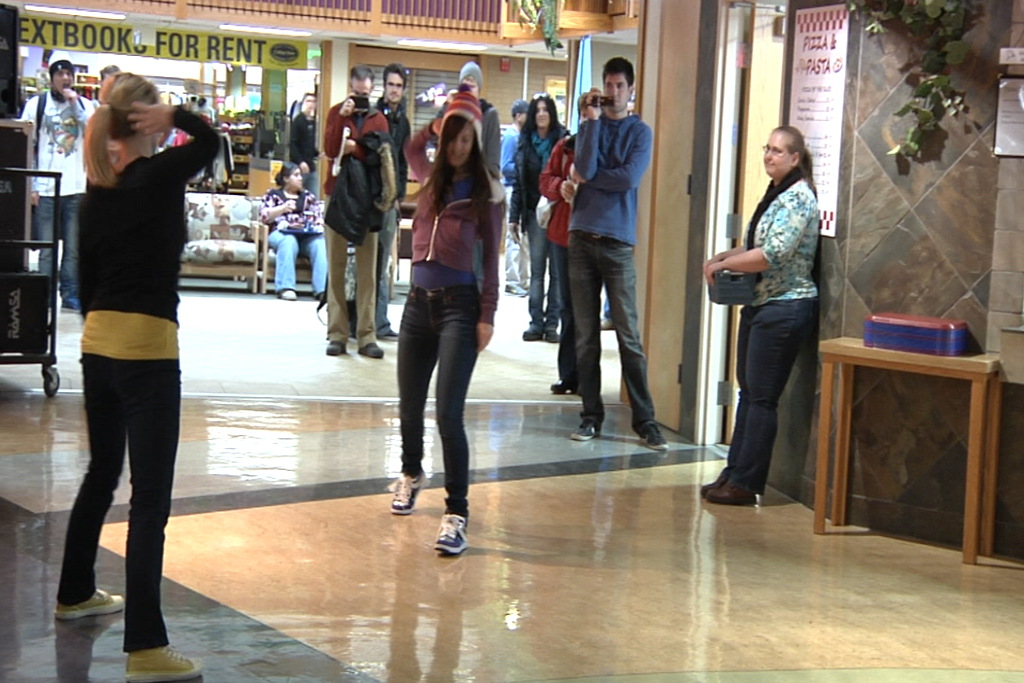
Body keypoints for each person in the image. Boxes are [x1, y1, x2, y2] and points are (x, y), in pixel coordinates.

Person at [57, 72, 217, 682]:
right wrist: (177, 114)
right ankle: (147, 649)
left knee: (102, 471)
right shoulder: (158, 175)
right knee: (150, 500)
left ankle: (74, 591)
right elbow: (210, 146)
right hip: (148, 349)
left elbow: (86, 285)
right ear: (146, 120)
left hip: (97, 347)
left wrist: (166, 116)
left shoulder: (99, 190)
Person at [388, 85, 503, 555]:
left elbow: (492, 262)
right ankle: (411, 472)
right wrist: (442, 118)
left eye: (465, 138)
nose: (457, 146)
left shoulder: (487, 193)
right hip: (417, 304)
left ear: (475, 142)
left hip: (460, 306)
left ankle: (457, 512)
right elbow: (411, 146)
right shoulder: (429, 179)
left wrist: (488, 316)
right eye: (452, 137)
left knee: (448, 414)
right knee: (409, 406)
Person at [701, 126, 820, 506]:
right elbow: (758, 244)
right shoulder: (776, 193)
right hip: (762, 304)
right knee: (748, 392)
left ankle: (747, 482)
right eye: (767, 148)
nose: (769, 156)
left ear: (795, 158)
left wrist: (728, 263)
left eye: (778, 151)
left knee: (762, 397)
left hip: (786, 306)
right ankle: (734, 471)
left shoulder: (799, 198)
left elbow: (774, 254)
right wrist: (724, 257)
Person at [568, 57, 667, 451]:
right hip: (581, 238)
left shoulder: (640, 132)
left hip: (617, 241)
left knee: (628, 335)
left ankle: (645, 420)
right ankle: (591, 415)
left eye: (619, 86)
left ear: (631, 89)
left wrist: (590, 179)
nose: (612, 93)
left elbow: (628, 176)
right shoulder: (590, 125)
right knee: (586, 335)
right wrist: (590, 122)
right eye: (607, 85)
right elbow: (583, 164)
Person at [323, 65, 391, 359]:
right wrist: (342, 119)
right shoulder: (335, 112)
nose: (360, 99)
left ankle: (366, 334)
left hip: (368, 198)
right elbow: (328, 149)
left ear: (372, 91)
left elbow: (379, 156)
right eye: (356, 93)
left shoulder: (379, 120)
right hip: (337, 194)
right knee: (336, 264)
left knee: (368, 267)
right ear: (349, 88)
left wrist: (356, 149)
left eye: (365, 94)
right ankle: (337, 333)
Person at [19, 50, 93, 312]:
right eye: (60, 74)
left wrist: (74, 103)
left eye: (68, 74)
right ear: (51, 78)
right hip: (46, 188)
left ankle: (70, 293)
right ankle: (45, 293)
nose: (65, 78)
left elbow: (93, 133)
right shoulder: (36, 105)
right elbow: (25, 144)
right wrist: (31, 185)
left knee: (72, 248)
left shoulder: (85, 105)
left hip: (75, 188)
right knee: (46, 248)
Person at [539, 93, 588, 394]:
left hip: (594, 236)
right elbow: (544, 179)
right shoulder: (564, 146)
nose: (588, 117)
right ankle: (568, 374)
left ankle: (586, 376)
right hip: (563, 236)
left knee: (587, 309)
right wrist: (561, 186)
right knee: (568, 306)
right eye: (583, 112)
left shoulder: (607, 149)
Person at [511, 94, 565, 343]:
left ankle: (552, 324)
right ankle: (536, 322)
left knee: (556, 271)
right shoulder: (525, 142)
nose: (541, 114)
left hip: (558, 213)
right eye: (538, 110)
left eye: (546, 110)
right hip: (534, 213)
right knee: (536, 271)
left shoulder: (563, 141)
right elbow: (519, 183)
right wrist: (514, 217)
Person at [374, 63, 411, 342]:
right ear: (384, 87)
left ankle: (380, 321)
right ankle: (362, 320)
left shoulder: (405, 122)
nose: (394, 90)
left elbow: (402, 162)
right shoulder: (374, 117)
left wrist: (399, 197)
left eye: (399, 86)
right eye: (390, 85)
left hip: (391, 203)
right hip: (369, 200)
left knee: (384, 260)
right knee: (366, 262)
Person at [260, 161, 327, 302]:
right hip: (281, 233)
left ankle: (322, 290)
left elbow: (317, 217)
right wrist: (282, 208)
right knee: (289, 241)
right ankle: (286, 287)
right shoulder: (273, 195)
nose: (300, 178)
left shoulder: (308, 197)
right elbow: (265, 216)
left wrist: (319, 222)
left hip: (306, 235)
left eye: (300, 175)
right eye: (296, 175)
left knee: (319, 244)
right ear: (285, 178)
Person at [501, 99, 530, 297]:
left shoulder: (522, 136)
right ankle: (512, 281)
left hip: (520, 190)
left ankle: (522, 280)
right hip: (511, 190)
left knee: (522, 237)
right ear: (519, 115)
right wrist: (524, 169)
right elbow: (505, 167)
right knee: (513, 235)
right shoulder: (511, 137)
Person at [290, 92, 319, 196]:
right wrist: (300, 162)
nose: (311, 104)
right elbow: (293, 144)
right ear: (304, 103)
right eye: (308, 101)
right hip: (298, 166)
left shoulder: (315, 122)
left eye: (314, 101)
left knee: (313, 196)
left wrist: (318, 154)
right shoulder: (298, 120)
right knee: (296, 195)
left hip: (311, 166)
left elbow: (310, 144)